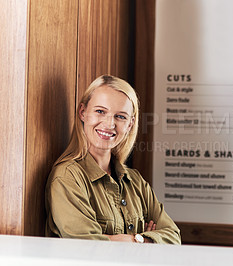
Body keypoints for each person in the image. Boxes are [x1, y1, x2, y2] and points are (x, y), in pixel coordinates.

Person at [45, 75, 181, 244]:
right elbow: (85, 245)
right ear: (83, 112)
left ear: (130, 125)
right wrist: (147, 241)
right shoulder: (67, 177)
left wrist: (133, 240)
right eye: (100, 111)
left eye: (121, 117)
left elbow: (173, 237)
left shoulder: (136, 181)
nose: (109, 124)